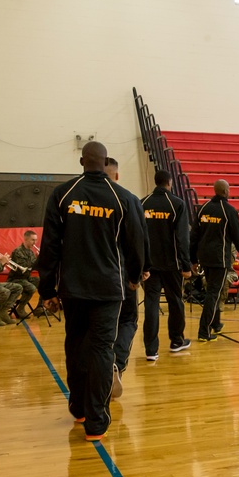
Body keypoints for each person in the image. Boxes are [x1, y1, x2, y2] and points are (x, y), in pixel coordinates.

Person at [38, 141, 147, 441]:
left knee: (75, 344)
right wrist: (135, 277)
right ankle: (96, 423)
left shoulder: (62, 195)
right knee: (102, 349)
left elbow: (49, 246)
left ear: (82, 161)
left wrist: (47, 289)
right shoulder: (124, 197)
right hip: (108, 289)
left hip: (72, 288)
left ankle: (79, 407)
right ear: (104, 163)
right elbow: (136, 243)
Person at [104, 157, 150, 398]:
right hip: (120, 277)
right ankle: (117, 364)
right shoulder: (128, 199)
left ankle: (94, 378)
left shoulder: (70, 196)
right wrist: (138, 273)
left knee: (92, 332)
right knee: (127, 321)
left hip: (84, 282)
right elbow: (138, 240)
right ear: (117, 175)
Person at [141, 170, 192, 358]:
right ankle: (176, 340)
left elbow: (137, 236)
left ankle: (150, 349)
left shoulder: (142, 203)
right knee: (175, 302)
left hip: (149, 266)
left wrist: (140, 265)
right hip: (171, 265)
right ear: (169, 182)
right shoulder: (177, 204)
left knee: (151, 304)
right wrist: (186, 266)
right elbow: (182, 238)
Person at [190, 179, 239, 341]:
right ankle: (203, 331)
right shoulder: (228, 210)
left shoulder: (203, 209)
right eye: (228, 189)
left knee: (213, 291)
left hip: (205, 259)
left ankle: (216, 324)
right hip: (220, 260)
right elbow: (238, 236)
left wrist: (193, 259)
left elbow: (193, 236)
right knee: (213, 294)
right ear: (225, 191)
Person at [7, 230, 40, 317]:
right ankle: (20, 308)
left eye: (36, 240)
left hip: (26, 278)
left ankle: (40, 308)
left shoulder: (31, 252)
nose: (35, 242)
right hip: (16, 278)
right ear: (26, 239)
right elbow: (23, 267)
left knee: (44, 282)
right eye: (33, 240)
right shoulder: (17, 251)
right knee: (31, 288)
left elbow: (34, 267)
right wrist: (38, 259)